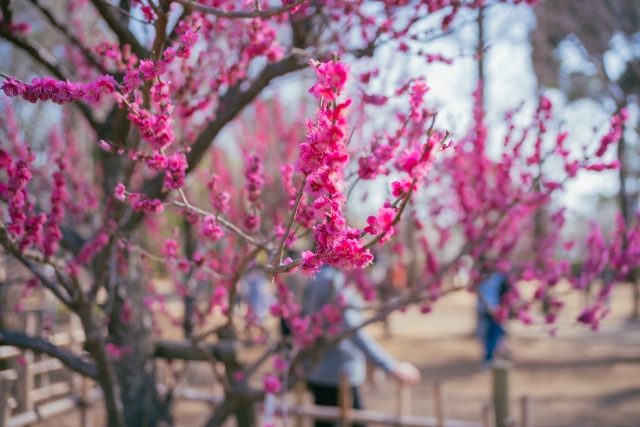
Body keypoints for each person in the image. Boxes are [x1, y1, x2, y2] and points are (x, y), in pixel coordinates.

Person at [301, 266, 420, 427]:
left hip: (333, 371)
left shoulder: (328, 275)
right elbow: (352, 328)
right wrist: (390, 365)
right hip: (333, 374)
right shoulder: (330, 279)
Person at [476, 270, 508, 368]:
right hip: (485, 311)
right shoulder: (482, 276)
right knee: (484, 335)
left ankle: (489, 358)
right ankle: (492, 355)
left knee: (493, 335)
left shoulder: (501, 277)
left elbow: (505, 293)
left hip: (497, 311)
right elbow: (479, 292)